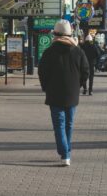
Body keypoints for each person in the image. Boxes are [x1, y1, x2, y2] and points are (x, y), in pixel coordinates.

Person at [38, 20, 89, 166]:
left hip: (54, 93)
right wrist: (78, 84)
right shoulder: (78, 51)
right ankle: (66, 152)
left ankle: (65, 153)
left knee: (59, 124)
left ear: (55, 34)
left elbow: (42, 72)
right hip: (72, 93)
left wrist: (46, 87)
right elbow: (86, 71)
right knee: (69, 123)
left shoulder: (49, 51)